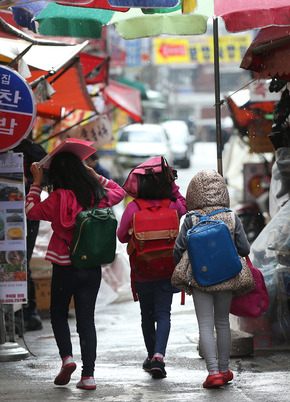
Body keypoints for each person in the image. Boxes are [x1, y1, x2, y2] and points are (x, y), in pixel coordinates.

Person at [25, 151, 125, 390]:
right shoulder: (96, 194)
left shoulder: (56, 198)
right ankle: (88, 376)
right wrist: (96, 176)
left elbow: (30, 210)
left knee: (58, 312)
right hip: (90, 266)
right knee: (86, 320)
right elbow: (120, 193)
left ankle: (67, 358)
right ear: (81, 171)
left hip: (63, 266)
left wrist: (36, 184)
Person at [173, 169, 250, 389]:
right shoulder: (231, 216)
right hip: (228, 275)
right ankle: (225, 370)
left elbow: (178, 250)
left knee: (205, 326)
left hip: (200, 278)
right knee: (223, 323)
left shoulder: (190, 219)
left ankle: (213, 372)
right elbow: (244, 248)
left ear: (192, 194)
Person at [117, 163, 187, 379]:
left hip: (142, 271)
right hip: (168, 270)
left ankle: (150, 357)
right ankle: (159, 356)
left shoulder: (133, 208)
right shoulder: (173, 206)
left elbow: (121, 237)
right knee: (163, 313)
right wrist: (172, 185)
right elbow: (187, 205)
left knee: (147, 315)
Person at [13, 137, 48, 331]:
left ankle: (27, 312)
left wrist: (32, 179)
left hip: (26, 214)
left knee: (21, 261)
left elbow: (47, 174)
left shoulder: (31, 148)